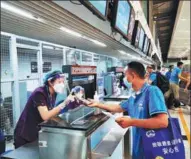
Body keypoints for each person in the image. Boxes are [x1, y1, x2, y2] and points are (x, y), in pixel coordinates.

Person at [87, 61, 168, 159]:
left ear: (133, 76)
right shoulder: (135, 96)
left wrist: (131, 122)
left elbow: (162, 122)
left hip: (151, 150)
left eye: (126, 75)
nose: (124, 79)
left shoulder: (152, 91)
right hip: (138, 149)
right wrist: (97, 104)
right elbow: (118, 108)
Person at [14, 70, 74, 148]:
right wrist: (64, 104)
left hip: (37, 131)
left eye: (63, 82)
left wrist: (63, 123)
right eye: (59, 82)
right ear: (50, 82)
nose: (62, 85)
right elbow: (45, 116)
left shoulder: (53, 93)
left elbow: (51, 111)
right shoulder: (39, 93)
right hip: (25, 133)